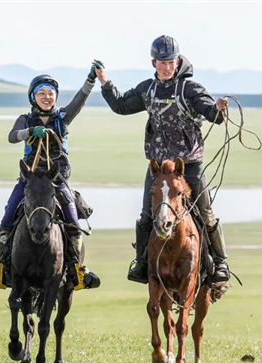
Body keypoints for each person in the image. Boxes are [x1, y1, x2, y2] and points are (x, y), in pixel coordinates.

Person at [93, 35, 231, 284]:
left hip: (189, 165)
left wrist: (218, 109)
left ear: (177, 62)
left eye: (171, 62)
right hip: (158, 169)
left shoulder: (191, 89)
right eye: (162, 63)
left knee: (205, 212)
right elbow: (121, 106)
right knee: (147, 215)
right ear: (153, 63)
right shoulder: (147, 89)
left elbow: (210, 112)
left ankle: (221, 263)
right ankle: (141, 262)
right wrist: (105, 82)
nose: (167, 67)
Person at [0, 64, 104, 291]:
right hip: (29, 180)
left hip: (56, 180)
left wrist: (90, 79)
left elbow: (80, 99)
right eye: (41, 93)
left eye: (50, 93)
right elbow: (12, 137)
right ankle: (2, 269)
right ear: (33, 97)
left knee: (73, 222)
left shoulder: (63, 117)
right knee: (7, 218)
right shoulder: (25, 119)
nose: (47, 97)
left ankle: (77, 271)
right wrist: (30, 132)